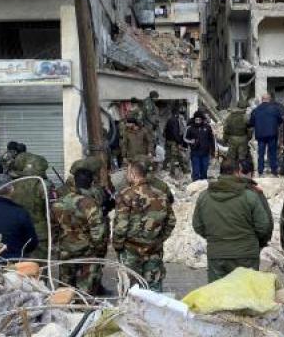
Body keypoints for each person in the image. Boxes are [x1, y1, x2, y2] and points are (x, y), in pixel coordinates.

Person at [193, 159, 272, 282]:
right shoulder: (250, 195)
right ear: (237, 172)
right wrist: (254, 242)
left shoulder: (204, 196)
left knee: (219, 294)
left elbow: (197, 225)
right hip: (246, 254)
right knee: (246, 293)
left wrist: (215, 237)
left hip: (217, 254)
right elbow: (263, 226)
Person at [113, 162, 175, 292]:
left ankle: (131, 312)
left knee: (130, 288)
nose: (125, 175)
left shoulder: (126, 195)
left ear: (133, 174)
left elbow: (121, 226)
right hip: (154, 249)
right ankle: (153, 312)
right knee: (154, 289)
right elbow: (171, 221)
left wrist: (118, 245)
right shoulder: (161, 194)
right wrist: (159, 239)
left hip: (130, 250)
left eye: (127, 173)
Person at [53, 168, 107, 294]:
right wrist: (97, 249)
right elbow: (98, 232)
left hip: (66, 249)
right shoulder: (90, 204)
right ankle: (83, 310)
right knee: (85, 289)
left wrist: (58, 245)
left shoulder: (59, 203)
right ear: (90, 183)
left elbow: (53, 227)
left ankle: (64, 311)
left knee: (64, 288)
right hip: (87, 251)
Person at [8, 152, 51, 259]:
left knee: (19, 267)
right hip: (39, 232)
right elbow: (51, 209)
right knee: (39, 267)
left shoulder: (12, 185)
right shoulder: (43, 185)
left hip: (17, 230)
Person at [248, 93, 283, 176]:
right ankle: (274, 171)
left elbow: (251, 123)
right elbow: (280, 120)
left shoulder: (256, 110)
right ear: (269, 99)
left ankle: (260, 171)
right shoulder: (275, 109)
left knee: (261, 153)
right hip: (272, 134)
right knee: (272, 153)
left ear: (262, 99)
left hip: (260, 135)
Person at [184, 111, 215, 181]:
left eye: (199, 120)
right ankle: (195, 184)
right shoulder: (190, 128)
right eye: (196, 120)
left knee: (204, 170)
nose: (197, 121)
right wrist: (191, 141)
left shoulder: (207, 127)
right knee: (196, 171)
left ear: (202, 120)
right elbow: (185, 138)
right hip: (195, 153)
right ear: (194, 119)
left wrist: (213, 151)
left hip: (205, 153)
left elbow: (211, 140)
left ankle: (203, 186)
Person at [224, 100, 252, 166]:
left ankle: (232, 171)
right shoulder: (245, 116)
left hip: (232, 138)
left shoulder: (230, 116)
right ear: (245, 107)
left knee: (231, 157)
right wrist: (249, 137)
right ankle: (243, 171)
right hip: (243, 138)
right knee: (242, 157)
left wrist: (225, 138)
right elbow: (250, 128)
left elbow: (226, 128)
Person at [163, 108, 189, 177]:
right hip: (173, 142)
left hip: (168, 141)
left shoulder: (169, 120)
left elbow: (164, 131)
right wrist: (179, 142)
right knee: (174, 157)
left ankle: (164, 168)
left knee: (169, 156)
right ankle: (172, 173)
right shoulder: (175, 121)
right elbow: (175, 132)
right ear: (177, 114)